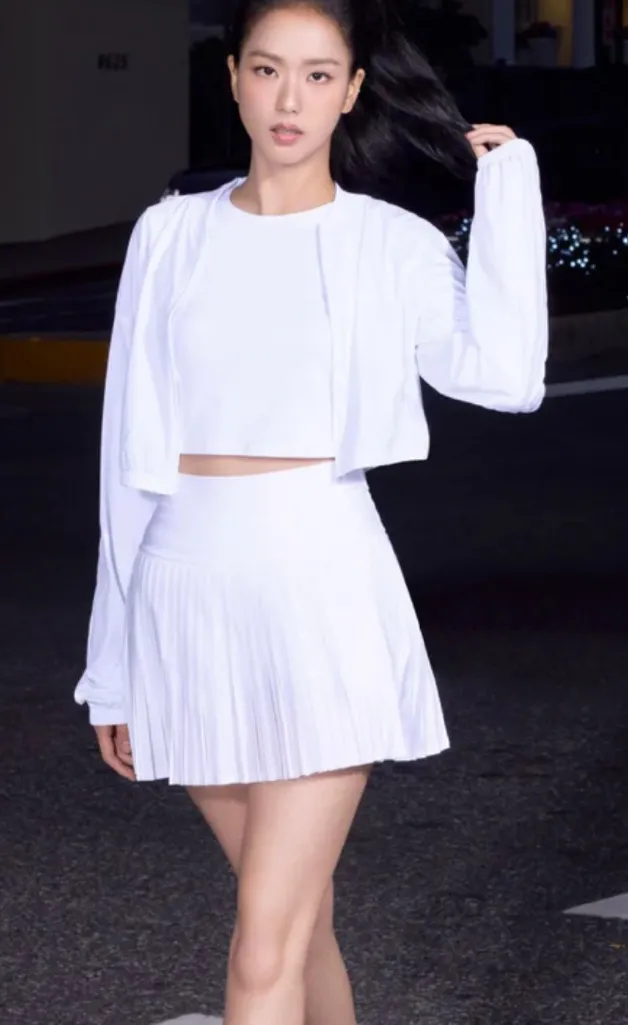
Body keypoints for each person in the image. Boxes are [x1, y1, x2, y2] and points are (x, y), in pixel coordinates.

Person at [74, 2, 548, 1023]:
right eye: (268, 69)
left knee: (262, 949)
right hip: (184, 599)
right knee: (298, 925)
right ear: (234, 78)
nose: (290, 99)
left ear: (353, 91)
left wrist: (508, 197)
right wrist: (111, 661)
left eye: (319, 75)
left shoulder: (389, 243)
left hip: (321, 591)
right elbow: (126, 462)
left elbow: (507, 377)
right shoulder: (170, 233)